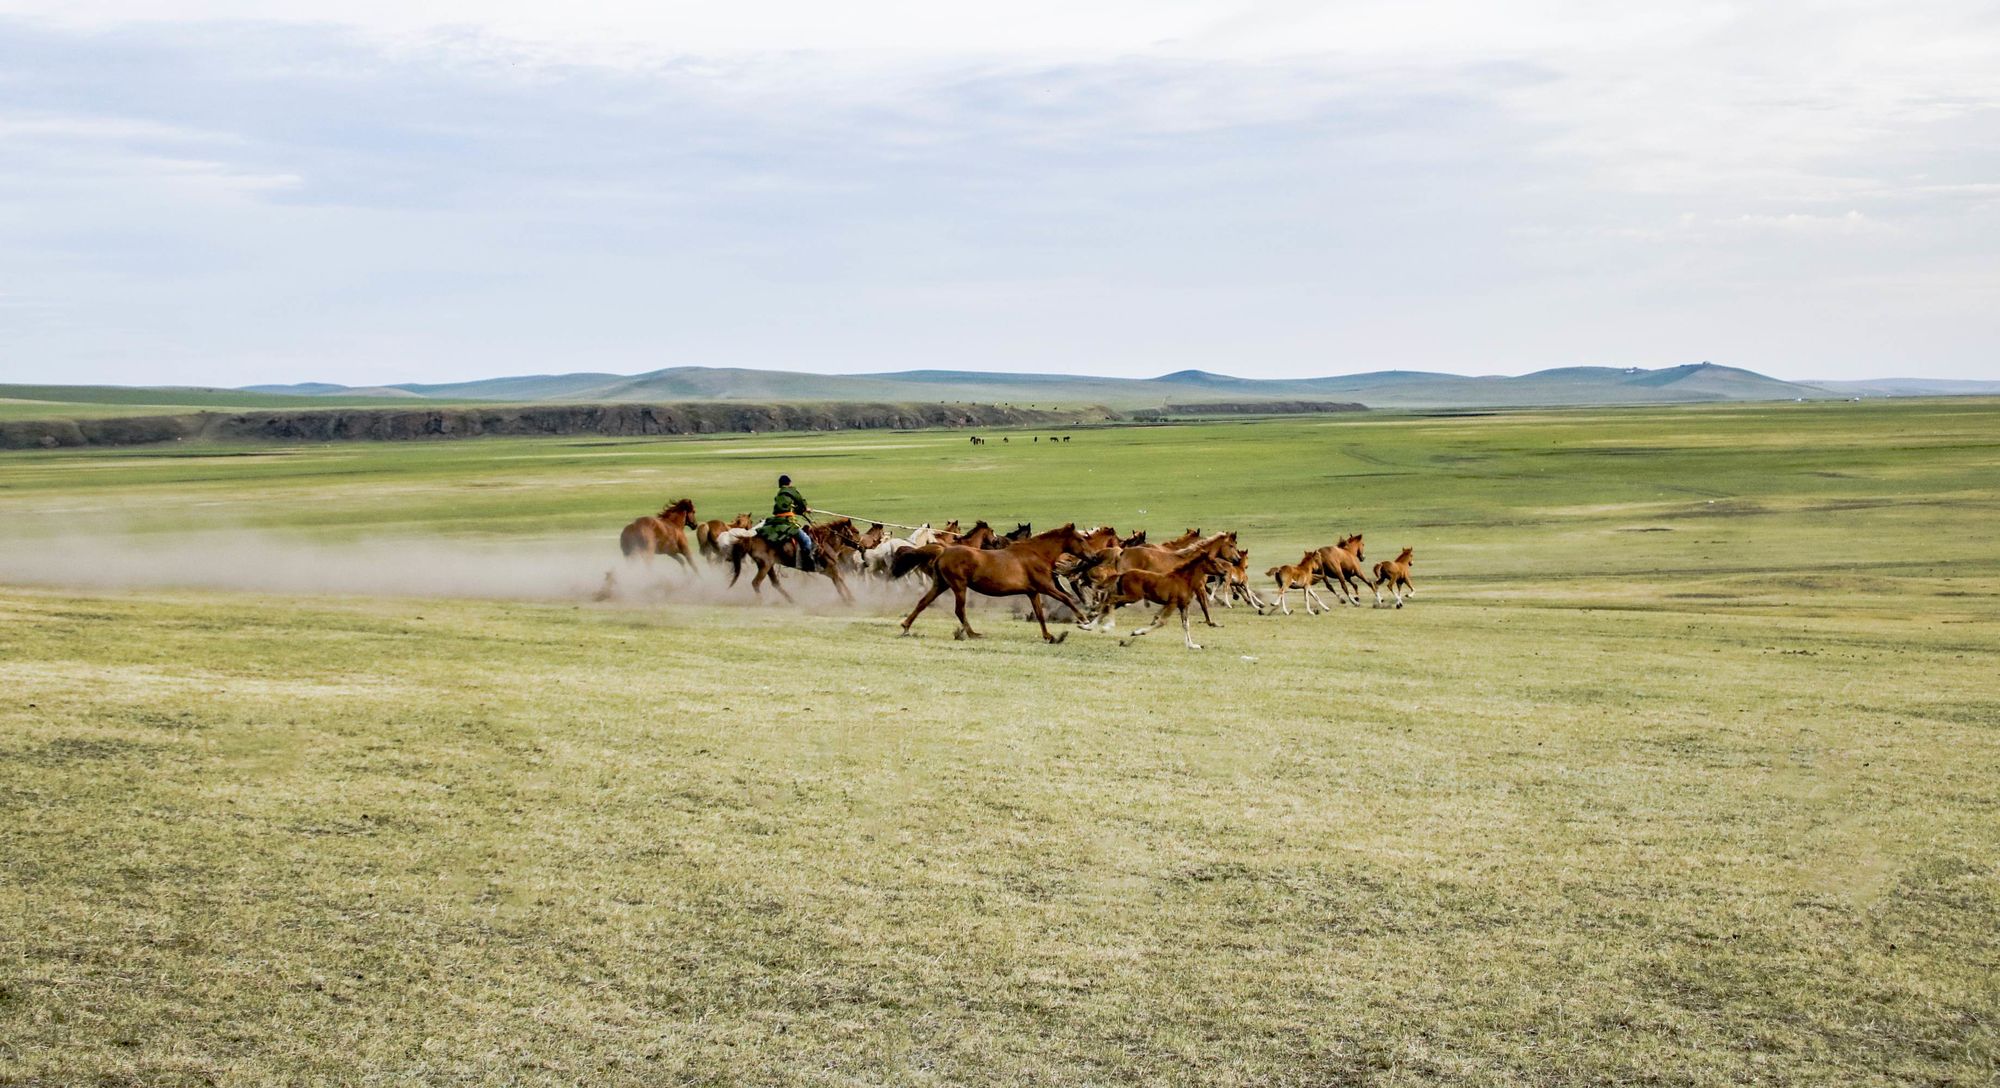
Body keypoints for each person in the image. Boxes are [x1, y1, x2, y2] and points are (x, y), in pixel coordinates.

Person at [759, 473, 816, 571]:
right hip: (787, 523)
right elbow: (801, 503)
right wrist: (806, 508)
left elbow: (787, 509)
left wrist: (799, 511)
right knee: (806, 540)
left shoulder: (779, 495)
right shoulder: (791, 491)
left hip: (776, 522)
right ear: (789, 483)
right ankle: (807, 562)